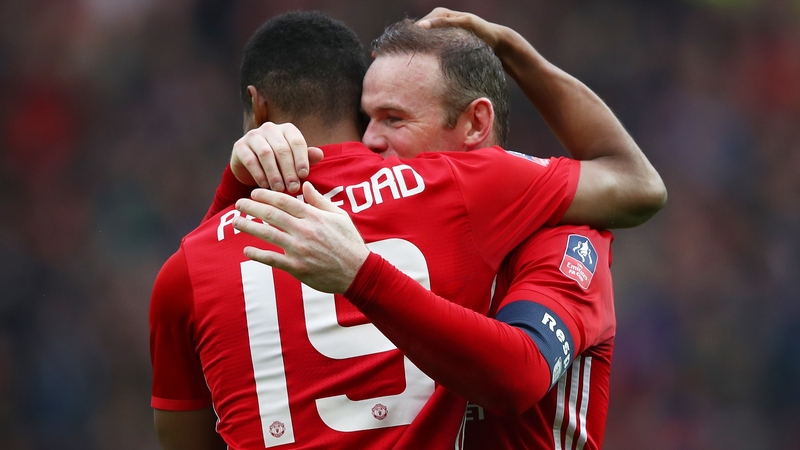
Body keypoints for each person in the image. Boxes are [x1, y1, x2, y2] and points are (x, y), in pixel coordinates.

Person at [149, 10, 663, 450]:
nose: (368, 141)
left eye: (393, 119)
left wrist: (512, 50)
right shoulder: (391, 218)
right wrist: (238, 184)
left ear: (475, 124)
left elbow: (520, 373)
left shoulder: (561, 236)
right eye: (364, 117)